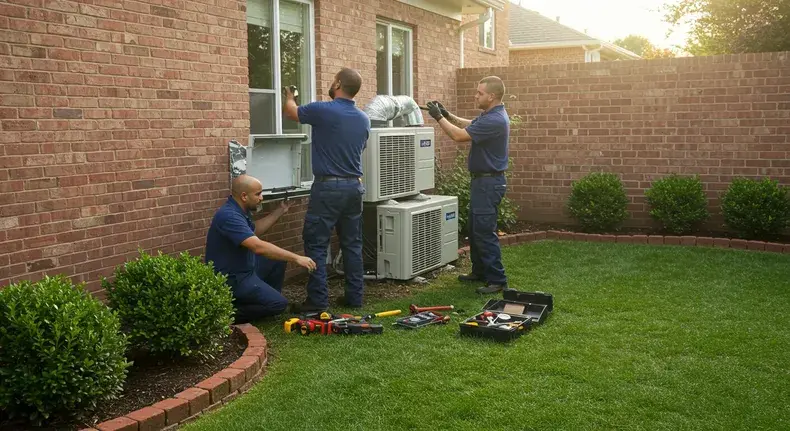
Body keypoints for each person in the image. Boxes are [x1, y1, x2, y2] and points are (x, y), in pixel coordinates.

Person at [282, 68, 370, 312]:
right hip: (354, 186)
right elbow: (359, 148)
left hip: (328, 187)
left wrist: (289, 95)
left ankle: (317, 302)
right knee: (352, 244)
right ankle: (354, 297)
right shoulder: (363, 118)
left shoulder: (323, 110)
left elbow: (291, 113)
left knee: (317, 244)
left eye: (333, 81)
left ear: (339, 83)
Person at [426, 76, 510, 294]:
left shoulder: (495, 120)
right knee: (475, 229)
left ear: (491, 96)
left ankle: (497, 279)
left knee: (484, 230)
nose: (476, 96)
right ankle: (480, 271)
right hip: (483, 182)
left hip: (488, 183)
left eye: (479, 93)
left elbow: (458, 135)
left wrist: (437, 119)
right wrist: (446, 114)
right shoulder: (490, 115)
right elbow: (469, 124)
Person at [205, 174, 317, 323]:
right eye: (258, 194)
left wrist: (280, 210)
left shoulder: (239, 210)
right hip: (231, 278)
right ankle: (224, 313)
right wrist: (297, 258)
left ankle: (263, 300)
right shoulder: (229, 216)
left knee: (277, 261)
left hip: (245, 268)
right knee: (279, 304)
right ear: (244, 196)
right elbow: (257, 247)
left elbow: (254, 230)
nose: (261, 198)